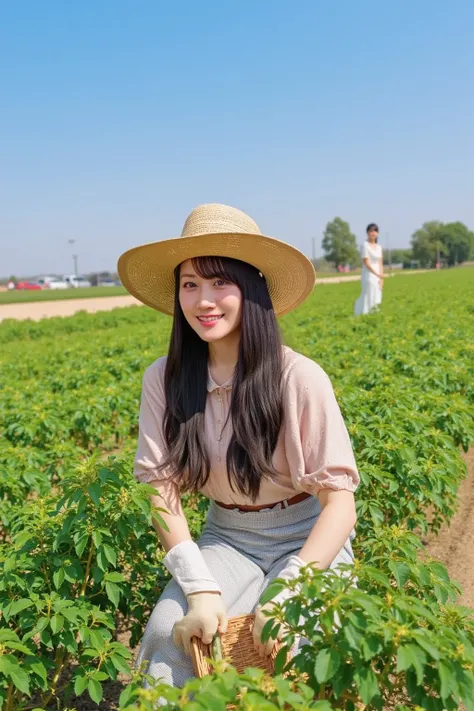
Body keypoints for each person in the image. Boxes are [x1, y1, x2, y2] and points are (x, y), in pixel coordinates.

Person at [117, 203, 359, 689]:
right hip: (226, 536)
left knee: (301, 641)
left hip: (306, 534)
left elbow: (340, 505)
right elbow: (160, 489)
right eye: (190, 284)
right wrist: (199, 587)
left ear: (251, 290)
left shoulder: (298, 378)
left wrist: (287, 592)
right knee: (170, 633)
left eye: (219, 283)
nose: (203, 300)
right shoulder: (163, 381)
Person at [354, 223, 384, 315]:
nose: (373, 233)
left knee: (377, 294)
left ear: (377, 233)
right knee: (369, 294)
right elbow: (366, 262)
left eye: (375, 231)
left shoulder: (379, 247)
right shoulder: (365, 245)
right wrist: (376, 274)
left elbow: (380, 263)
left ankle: (375, 313)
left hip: (378, 275)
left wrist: (381, 277)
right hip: (369, 274)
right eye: (371, 231)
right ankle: (364, 313)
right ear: (367, 233)